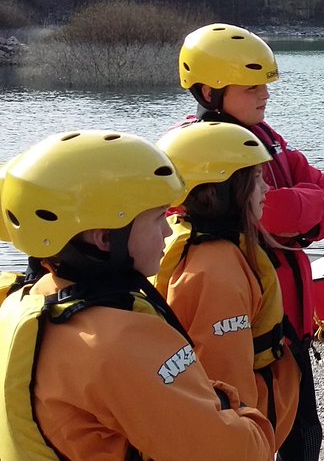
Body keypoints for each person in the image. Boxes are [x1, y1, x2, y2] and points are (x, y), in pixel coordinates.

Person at [0, 130, 276, 460]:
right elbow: (231, 453)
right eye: (158, 217)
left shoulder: (25, 300)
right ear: (105, 238)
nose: (168, 229)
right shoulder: (117, 344)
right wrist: (249, 419)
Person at [179, 22, 324, 461]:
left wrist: (300, 213)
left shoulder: (268, 138)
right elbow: (276, 214)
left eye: (265, 84)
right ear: (209, 92)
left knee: (304, 435)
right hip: (244, 331)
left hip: (290, 327)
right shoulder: (196, 153)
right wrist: (302, 209)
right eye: (251, 87)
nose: (265, 95)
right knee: (249, 437)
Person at [153, 121, 301, 447]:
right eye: (256, 178)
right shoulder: (215, 273)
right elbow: (226, 388)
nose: (266, 189)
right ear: (218, 190)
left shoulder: (198, 244)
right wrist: (246, 442)